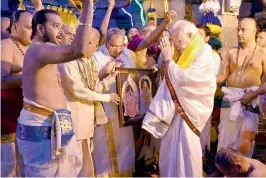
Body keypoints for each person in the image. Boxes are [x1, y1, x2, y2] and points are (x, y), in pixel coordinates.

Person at [16, 0, 95, 176]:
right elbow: (79, 50)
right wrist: (89, 5)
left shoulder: (45, 48)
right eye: (56, 26)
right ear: (40, 29)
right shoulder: (39, 50)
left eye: (61, 26)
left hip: (57, 122)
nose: (60, 32)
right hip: (41, 126)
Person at [142, 20, 216, 177]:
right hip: (174, 114)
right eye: (174, 42)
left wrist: (169, 61)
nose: (176, 46)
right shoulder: (180, 53)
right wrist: (166, 60)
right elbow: (167, 80)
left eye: (179, 41)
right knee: (169, 153)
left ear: (190, 35)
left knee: (186, 154)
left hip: (189, 114)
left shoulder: (204, 52)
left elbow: (187, 80)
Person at [59, 26, 120, 177]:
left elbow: (95, 88)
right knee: (72, 163)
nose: (82, 45)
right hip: (73, 121)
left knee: (86, 163)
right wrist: (107, 97)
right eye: (82, 41)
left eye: (88, 42)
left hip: (88, 122)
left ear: (96, 45)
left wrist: (111, 77)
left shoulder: (90, 61)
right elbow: (77, 90)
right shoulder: (68, 60)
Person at [216, 18, 266, 157]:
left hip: (250, 101)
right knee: (225, 142)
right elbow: (223, 76)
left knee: (245, 144)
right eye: (238, 29)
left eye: (243, 30)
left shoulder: (263, 53)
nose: (239, 33)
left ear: (254, 30)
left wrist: (251, 96)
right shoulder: (231, 52)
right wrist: (207, 78)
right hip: (230, 100)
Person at [92, 28, 136, 176]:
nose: (117, 50)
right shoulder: (96, 57)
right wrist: (105, 72)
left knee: (124, 144)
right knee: (105, 146)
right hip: (107, 106)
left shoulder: (128, 55)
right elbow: (92, 83)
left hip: (125, 109)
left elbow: (134, 75)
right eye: (114, 46)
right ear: (106, 43)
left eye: (120, 46)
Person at [1, 10, 33, 177]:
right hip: (9, 119)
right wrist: (31, 74)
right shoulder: (6, 45)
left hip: (28, 117)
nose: (33, 32)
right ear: (15, 27)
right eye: (28, 27)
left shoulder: (30, 47)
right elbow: (2, 81)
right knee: (9, 166)